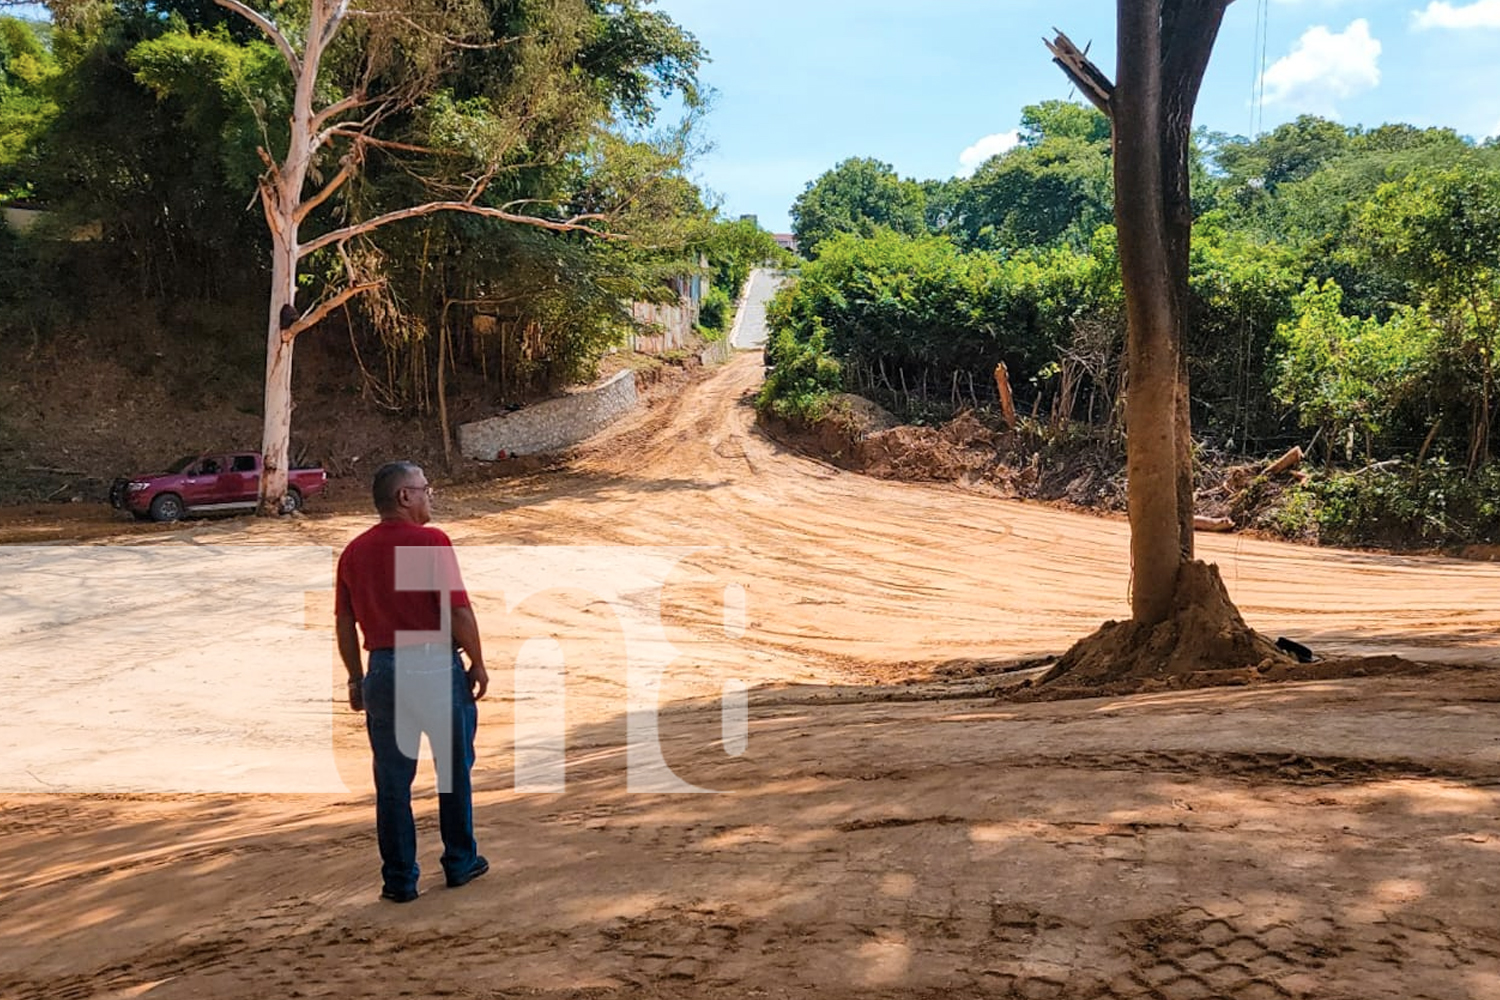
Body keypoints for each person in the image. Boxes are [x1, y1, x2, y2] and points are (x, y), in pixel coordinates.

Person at [335, 461, 490, 902]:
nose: (429, 495)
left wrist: (355, 678)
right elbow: (458, 612)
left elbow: (345, 625)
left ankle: (400, 880)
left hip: (382, 670)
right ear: (404, 497)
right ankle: (460, 862)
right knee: (453, 772)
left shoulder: (354, 552)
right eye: (424, 489)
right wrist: (478, 662)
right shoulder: (429, 542)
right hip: (433, 666)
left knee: (393, 783)